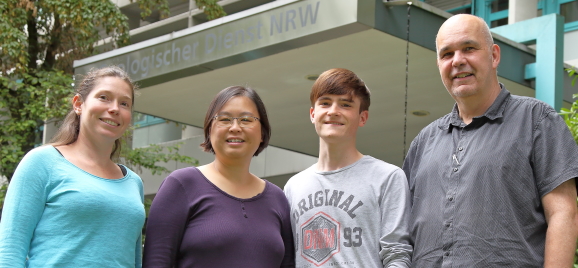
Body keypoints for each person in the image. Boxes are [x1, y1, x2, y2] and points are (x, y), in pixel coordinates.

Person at [402, 14, 578, 267]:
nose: (458, 61)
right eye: (447, 54)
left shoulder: (536, 121)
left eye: (469, 48)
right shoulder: (423, 142)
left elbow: (564, 214)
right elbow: (401, 234)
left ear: (494, 55)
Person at [0, 66, 145, 267]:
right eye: (104, 97)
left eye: (124, 103)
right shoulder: (42, 162)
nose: (114, 108)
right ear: (78, 104)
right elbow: (9, 252)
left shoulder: (133, 183)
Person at [142, 86, 295, 268]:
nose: (235, 127)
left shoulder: (277, 198)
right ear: (209, 129)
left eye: (246, 120)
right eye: (224, 119)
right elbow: (156, 263)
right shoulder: (182, 185)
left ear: (262, 132)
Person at [284, 68, 413, 267]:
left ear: (362, 118)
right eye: (325, 103)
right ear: (312, 114)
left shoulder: (387, 177)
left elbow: (397, 254)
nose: (333, 111)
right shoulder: (293, 187)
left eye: (345, 104)